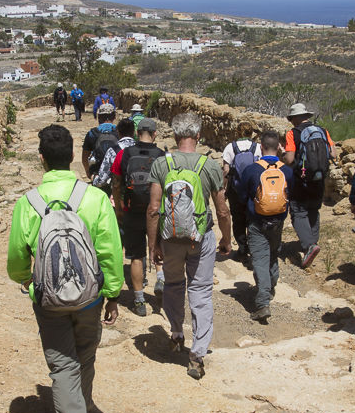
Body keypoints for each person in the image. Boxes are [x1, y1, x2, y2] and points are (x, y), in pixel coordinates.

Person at [7, 125, 123, 413]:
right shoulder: (95, 199)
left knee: (62, 366)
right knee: (85, 353)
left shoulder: (28, 204)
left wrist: (28, 281)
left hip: (49, 301)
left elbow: (15, 262)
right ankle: (80, 405)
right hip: (89, 298)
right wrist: (113, 292)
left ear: (41, 160)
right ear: (73, 157)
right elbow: (109, 251)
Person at [146, 113, 232, 379]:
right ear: (197, 137)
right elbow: (222, 210)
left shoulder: (161, 163)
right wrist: (226, 239)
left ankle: (175, 333)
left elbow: (153, 209)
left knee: (173, 286)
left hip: (170, 239)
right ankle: (197, 354)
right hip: (201, 238)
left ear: (174, 136)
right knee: (201, 292)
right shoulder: (210, 166)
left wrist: (153, 245)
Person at [111, 118, 167, 316]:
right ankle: (160, 278)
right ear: (154, 134)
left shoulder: (124, 154)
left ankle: (139, 300)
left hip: (131, 211)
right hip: (156, 211)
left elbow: (116, 184)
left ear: (136, 133)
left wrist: (119, 207)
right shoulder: (163, 156)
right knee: (157, 247)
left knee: (136, 257)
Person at [237, 130, 294, 322]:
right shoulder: (286, 170)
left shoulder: (252, 170)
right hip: (278, 221)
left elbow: (242, 196)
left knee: (260, 259)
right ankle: (271, 284)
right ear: (278, 147)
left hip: (257, 221)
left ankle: (262, 303)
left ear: (261, 147)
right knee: (273, 252)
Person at [282, 103, 336, 269]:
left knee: (298, 211)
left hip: (301, 179)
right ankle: (313, 241)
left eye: (292, 119)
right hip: (320, 178)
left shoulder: (293, 134)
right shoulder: (322, 131)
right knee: (313, 209)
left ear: (296, 118)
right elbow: (333, 154)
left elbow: (290, 159)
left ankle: (309, 246)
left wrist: (282, 155)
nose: (291, 122)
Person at [221, 123, 262, 260]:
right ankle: (254, 247)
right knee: (252, 218)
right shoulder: (257, 148)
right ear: (251, 133)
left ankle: (242, 249)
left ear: (237, 132)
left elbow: (226, 171)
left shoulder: (230, 147)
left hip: (235, 189)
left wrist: (224, 190)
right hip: (253, 189)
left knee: (238, 219)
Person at [92, 117, 136, 193]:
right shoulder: (141, 149)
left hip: (121, 195)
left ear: (118, 132)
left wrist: (94, 179)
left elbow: (102, 180)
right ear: (134, 133)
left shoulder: (113, 151)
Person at [81, 104, 118, 179]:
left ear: (99, 117)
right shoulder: (120, 132)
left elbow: (85, 157)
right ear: (114, 116)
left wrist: (88, 173)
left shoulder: (92, 133)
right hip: (116, 172)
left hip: (97, 173)